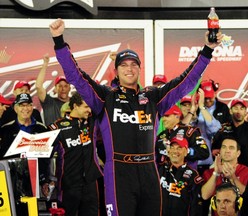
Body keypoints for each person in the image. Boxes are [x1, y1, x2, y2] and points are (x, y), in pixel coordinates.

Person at [49, 18, 223, 216]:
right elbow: (76, 76)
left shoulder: (153, 97)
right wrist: (59, 41)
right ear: (116, 71)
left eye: (133, 64)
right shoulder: (105, 97)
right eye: (123, 65)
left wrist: (207, 50)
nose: (129, 68)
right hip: (119, 173)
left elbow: (186, 81)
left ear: (140, 69)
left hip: (149, 171)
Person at [48, 92, 103, 216]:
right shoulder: (57, 127)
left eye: (90, 107)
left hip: (90, 182)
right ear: (75, 106)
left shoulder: (92, 122)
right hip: (69, 183)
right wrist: (47, 180)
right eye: (86, 107)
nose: (89, 110)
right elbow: (45, 156)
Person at [201, 137, 248, 215]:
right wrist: (216, 173)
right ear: (220, 151)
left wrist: (233, 178)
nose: (227, 150)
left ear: (238, 153)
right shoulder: (209, 173)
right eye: (224, 147)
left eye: (231, 148)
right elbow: (205, 196)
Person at [158, 137, 204, 216]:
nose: (175, 151)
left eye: (179, 148)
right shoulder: (159, 170)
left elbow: (195, 205)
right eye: (172, 147)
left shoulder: (193, 175)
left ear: (186, 152)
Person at [155, 105, 209, 169]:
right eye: (163, 116)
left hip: (185, 174)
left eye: (167, 116)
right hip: (164, 175)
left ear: (177, 116)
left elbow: (204, 152)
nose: (163, 119)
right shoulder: (161, 135)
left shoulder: (189, 131)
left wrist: (185, 151)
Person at [211, 98, 248, 167]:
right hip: (225, 167)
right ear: (230, 111)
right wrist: (216, 151)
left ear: (245, 112)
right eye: (236, 108)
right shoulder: (223, 128)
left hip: (246, 168)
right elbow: (214, 148)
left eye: (241, 109)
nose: (238, 111)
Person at [36, 54, 71, 125]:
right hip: (53, 135)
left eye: (65, 86)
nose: (63, 89)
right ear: (55, 88)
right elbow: (39, 86)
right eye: (60, 86)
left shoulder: (75, 103)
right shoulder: (49, 102)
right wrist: (45, 64)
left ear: (70, 87)